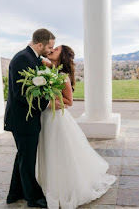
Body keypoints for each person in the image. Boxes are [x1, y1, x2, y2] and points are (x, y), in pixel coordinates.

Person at [36, 45, 117, 209]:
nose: (52, 50)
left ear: (63, 56)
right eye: (52, 48)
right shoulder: (45, 69)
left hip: (56, 119)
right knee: (46, 150)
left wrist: (51, 102)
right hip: (43, 118)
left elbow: (69, 102)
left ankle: (63, 187)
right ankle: (45, 184)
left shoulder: (63, 76)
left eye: (56, 49)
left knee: (58, 152)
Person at [4, 28, 63, 208]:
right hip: (23, 119)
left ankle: (14, 193)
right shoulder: (23, 59)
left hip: (26, 118)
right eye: (49, 47)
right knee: (28, 159)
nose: (50, 50)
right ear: (40, 44)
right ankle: (33, 197)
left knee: (23, 157)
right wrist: (46, 104)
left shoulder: (32, 58)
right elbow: (21, 93)